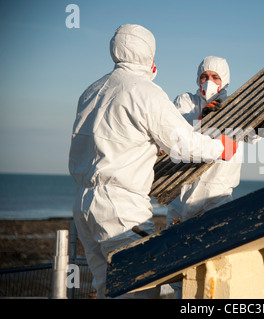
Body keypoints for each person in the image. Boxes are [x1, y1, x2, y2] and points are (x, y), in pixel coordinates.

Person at [68, 25, 237, 299]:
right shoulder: (145, 92)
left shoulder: (90, 92)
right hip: (121, 210)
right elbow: (181, 142)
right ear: (149, 56)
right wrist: (219, 147)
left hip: (83, 205)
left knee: (106, 288)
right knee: (139, 290)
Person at [166, 56, 264, 298]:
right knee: (177, 264)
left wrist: (258, 126)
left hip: (218, 194)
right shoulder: (185, 100)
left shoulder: (234, 103)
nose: (209, 81)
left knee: (214, 259)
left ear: (224, 80)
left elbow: (251, 135)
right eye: (204, 76)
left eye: (215, 77)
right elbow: (175, 132)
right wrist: (202, 118)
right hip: (181, 193)